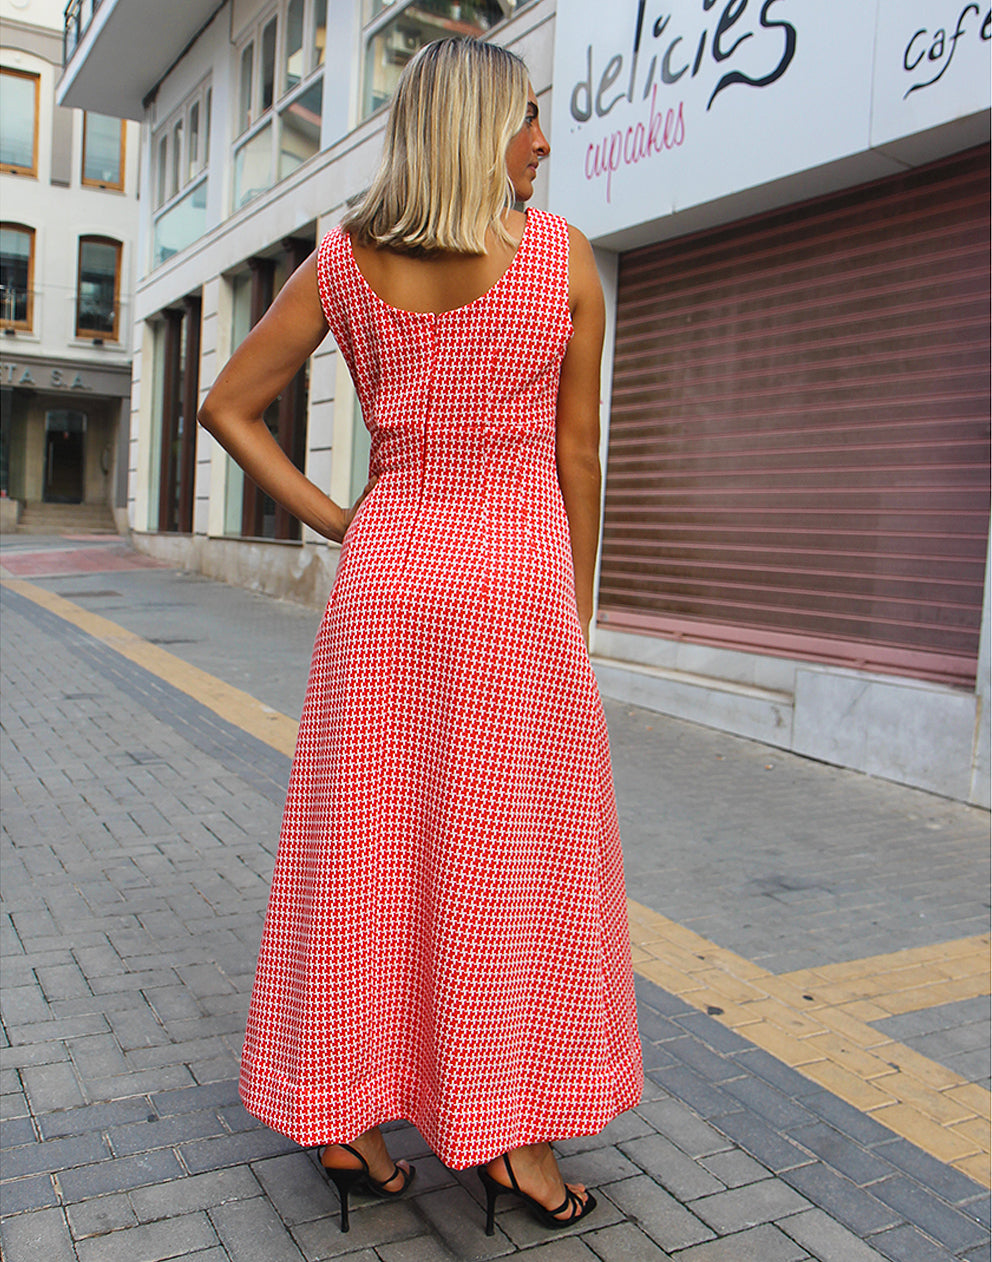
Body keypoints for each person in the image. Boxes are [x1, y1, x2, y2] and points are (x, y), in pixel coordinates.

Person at [198, 36, 643, 1238]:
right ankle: (507, 1138)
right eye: (530, 119)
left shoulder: (342, 263)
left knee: (365, 851)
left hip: (386, 586)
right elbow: (575, 457)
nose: (544, 141)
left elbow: (227, 407)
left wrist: (346, 520)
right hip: (512, 592)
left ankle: (345, 1121)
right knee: (510, 860)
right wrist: (579, 616)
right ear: (480, 127)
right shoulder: (557, 261)